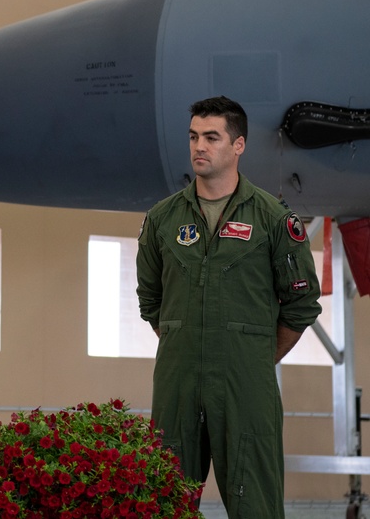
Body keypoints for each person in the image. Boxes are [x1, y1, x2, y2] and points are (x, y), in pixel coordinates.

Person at [136, 96, 322, 518]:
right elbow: (150, 300)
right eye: (193, 137)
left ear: (238, 145)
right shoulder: (163, 220)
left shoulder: (274, 219)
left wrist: (254, 356)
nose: (199, 146)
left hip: (246, 388)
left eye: (212, 137)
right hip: (177, 385)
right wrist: (192, 345)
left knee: (254, 502)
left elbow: (300, 303)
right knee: (165, 503)